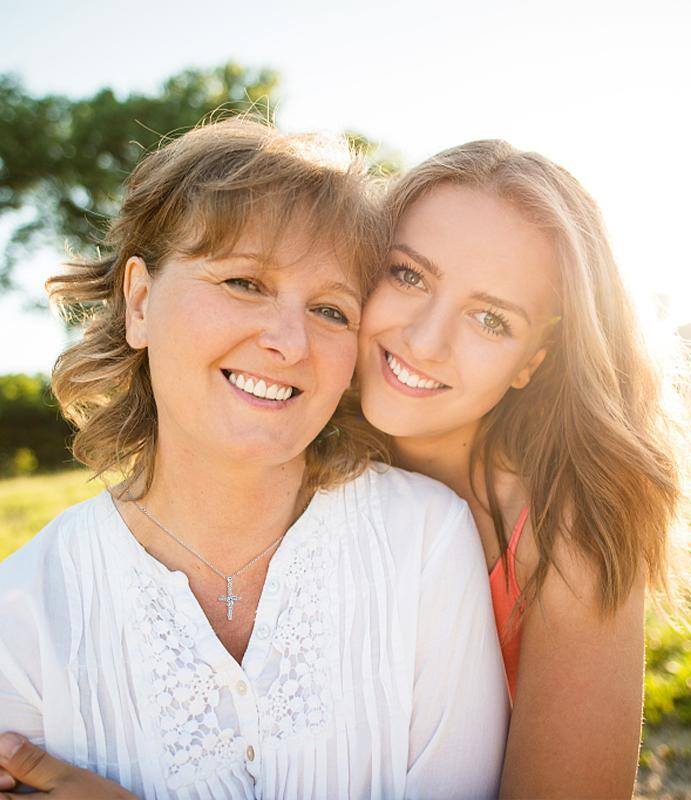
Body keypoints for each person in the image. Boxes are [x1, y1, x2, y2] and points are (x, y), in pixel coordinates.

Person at [0, 120, 509, 799]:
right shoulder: (24, 612)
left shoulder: (424, 541)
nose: (288, 341)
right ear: (141, 302)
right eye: (244, 282)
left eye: (331, 310)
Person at [355, 140, 691, 799]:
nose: (425, 340)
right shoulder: (289, 457)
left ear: (534, 360)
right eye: (409, 276)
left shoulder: (561, 530)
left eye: (490, 319)